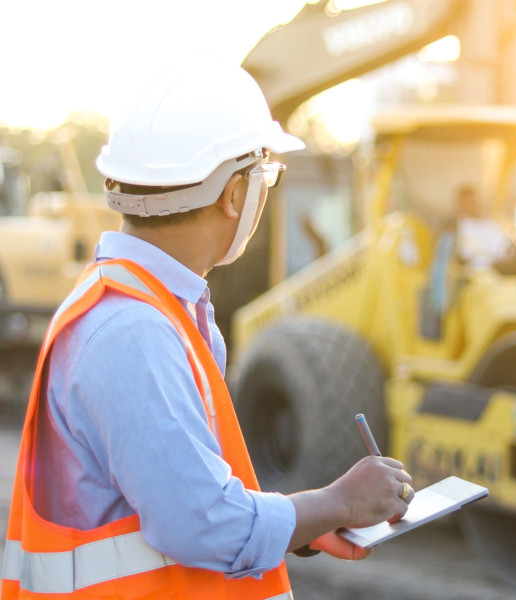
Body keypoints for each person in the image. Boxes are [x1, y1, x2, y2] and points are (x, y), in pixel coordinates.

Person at [1, 63, 414, 599]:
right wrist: (339, 502)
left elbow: (177, 493)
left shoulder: (148, 309)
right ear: (234, 196)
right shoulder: (133, 330)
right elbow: (200, 523)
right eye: (265, 177)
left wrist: (305, 524)